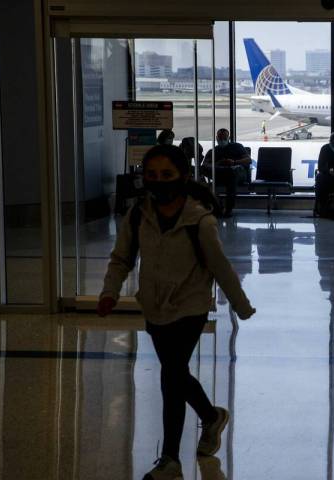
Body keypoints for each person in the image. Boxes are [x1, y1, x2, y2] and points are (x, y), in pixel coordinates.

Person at [96, 144, 255, 480]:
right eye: (152, 175)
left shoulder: (201, 221)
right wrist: (110, 291)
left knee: (171, 374)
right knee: (176, 372)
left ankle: (170, 460)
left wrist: (240, 305)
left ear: (182, 176)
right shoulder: (139, 215)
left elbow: (221, 267)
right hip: (155, 308)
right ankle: (211, 417)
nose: (158, 181)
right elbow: (122, 257)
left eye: (166, 175)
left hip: (190, 307)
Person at [202, 128, 252, 218]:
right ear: (216, 138)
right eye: (220, 138)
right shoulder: (214, 150)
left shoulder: (237, 147)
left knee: (231, 173)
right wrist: (218, 163)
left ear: (228, 137)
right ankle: (211, 205)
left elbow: (248, 160)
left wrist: (234, 162)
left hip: (238, 172)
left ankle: (228, 208)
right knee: (204, 170)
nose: (222, 140)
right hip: (222, 172)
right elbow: (205, 164)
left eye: (224, 138)